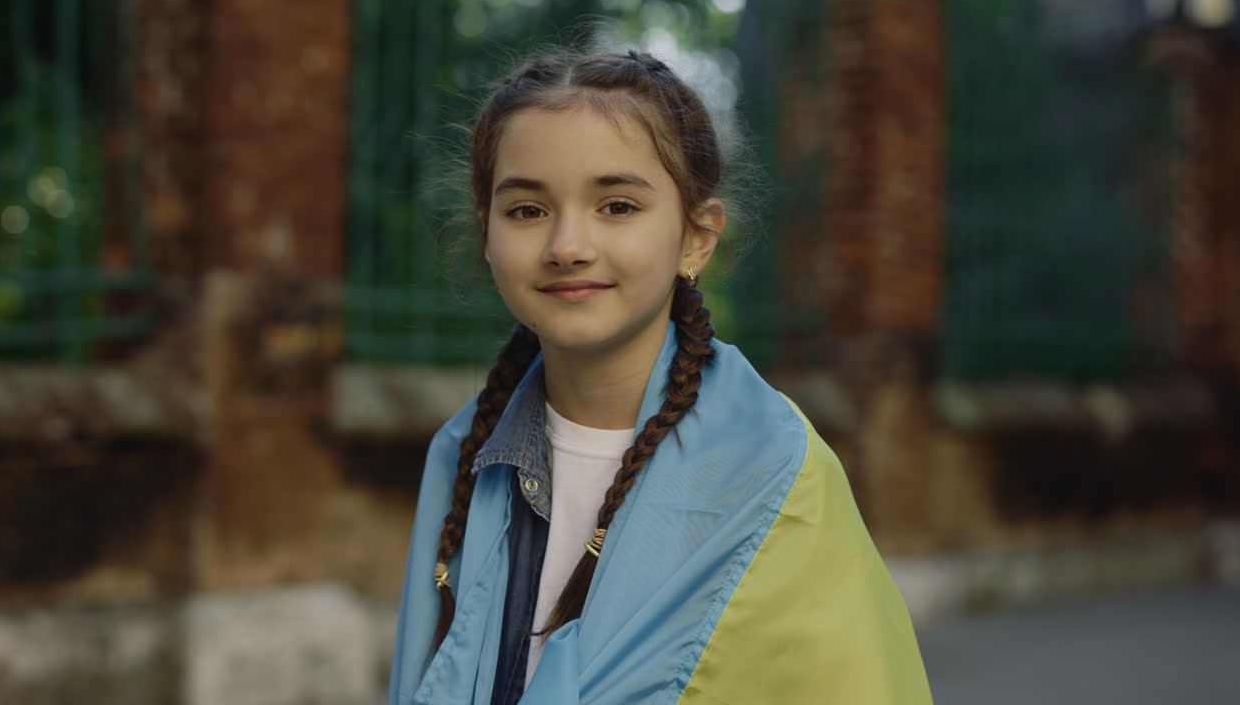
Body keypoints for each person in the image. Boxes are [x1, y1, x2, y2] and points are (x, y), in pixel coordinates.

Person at [387, 48, 933, 705]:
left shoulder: (775, 473)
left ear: (697, 238)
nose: (567, 245)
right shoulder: (462, 456)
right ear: (487, 234)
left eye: (616, 206)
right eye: (527, 210)